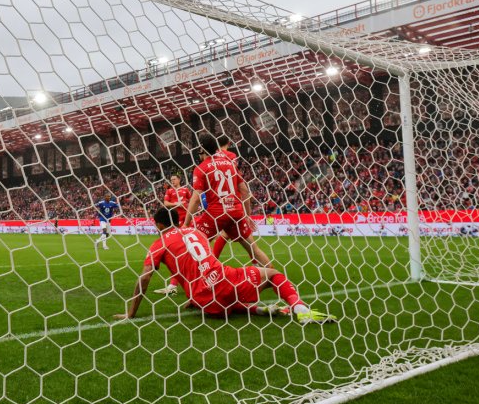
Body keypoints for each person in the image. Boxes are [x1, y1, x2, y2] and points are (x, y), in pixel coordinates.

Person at [114, 207, 335, 323]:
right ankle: (300, 309)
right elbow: (206, 255)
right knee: (273, 274)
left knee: (220, 302)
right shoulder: (195, 231)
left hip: (204, 302)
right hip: (224, 280)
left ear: (159, 224)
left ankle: (256, 309)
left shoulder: (158, 243)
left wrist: (131, 313)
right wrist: (224, 235)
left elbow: (144, 279)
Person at [185, 134, 270, 266]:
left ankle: (205, 278)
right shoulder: (229, 163)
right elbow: (245, 192)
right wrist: (247, 215)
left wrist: (186, 223)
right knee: (254, 249)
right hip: (236, 211)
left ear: (201, 149)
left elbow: (196, 199)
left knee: (195, 244)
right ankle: (277, 279)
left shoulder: (201, 168)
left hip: (217, 213)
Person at [158, 174, 193, 294]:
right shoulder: (169, 191)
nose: (172, 181)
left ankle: (174, 285)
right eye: (171, 179)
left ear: (179, 180)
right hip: (174, 222)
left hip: (186, 222)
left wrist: (187, 206)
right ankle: (174, 285)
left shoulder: (186, 190)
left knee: (186, 252)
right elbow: (166, 203)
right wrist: (176, 204)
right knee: (177, 253)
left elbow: (192, 201)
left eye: (174, 179)